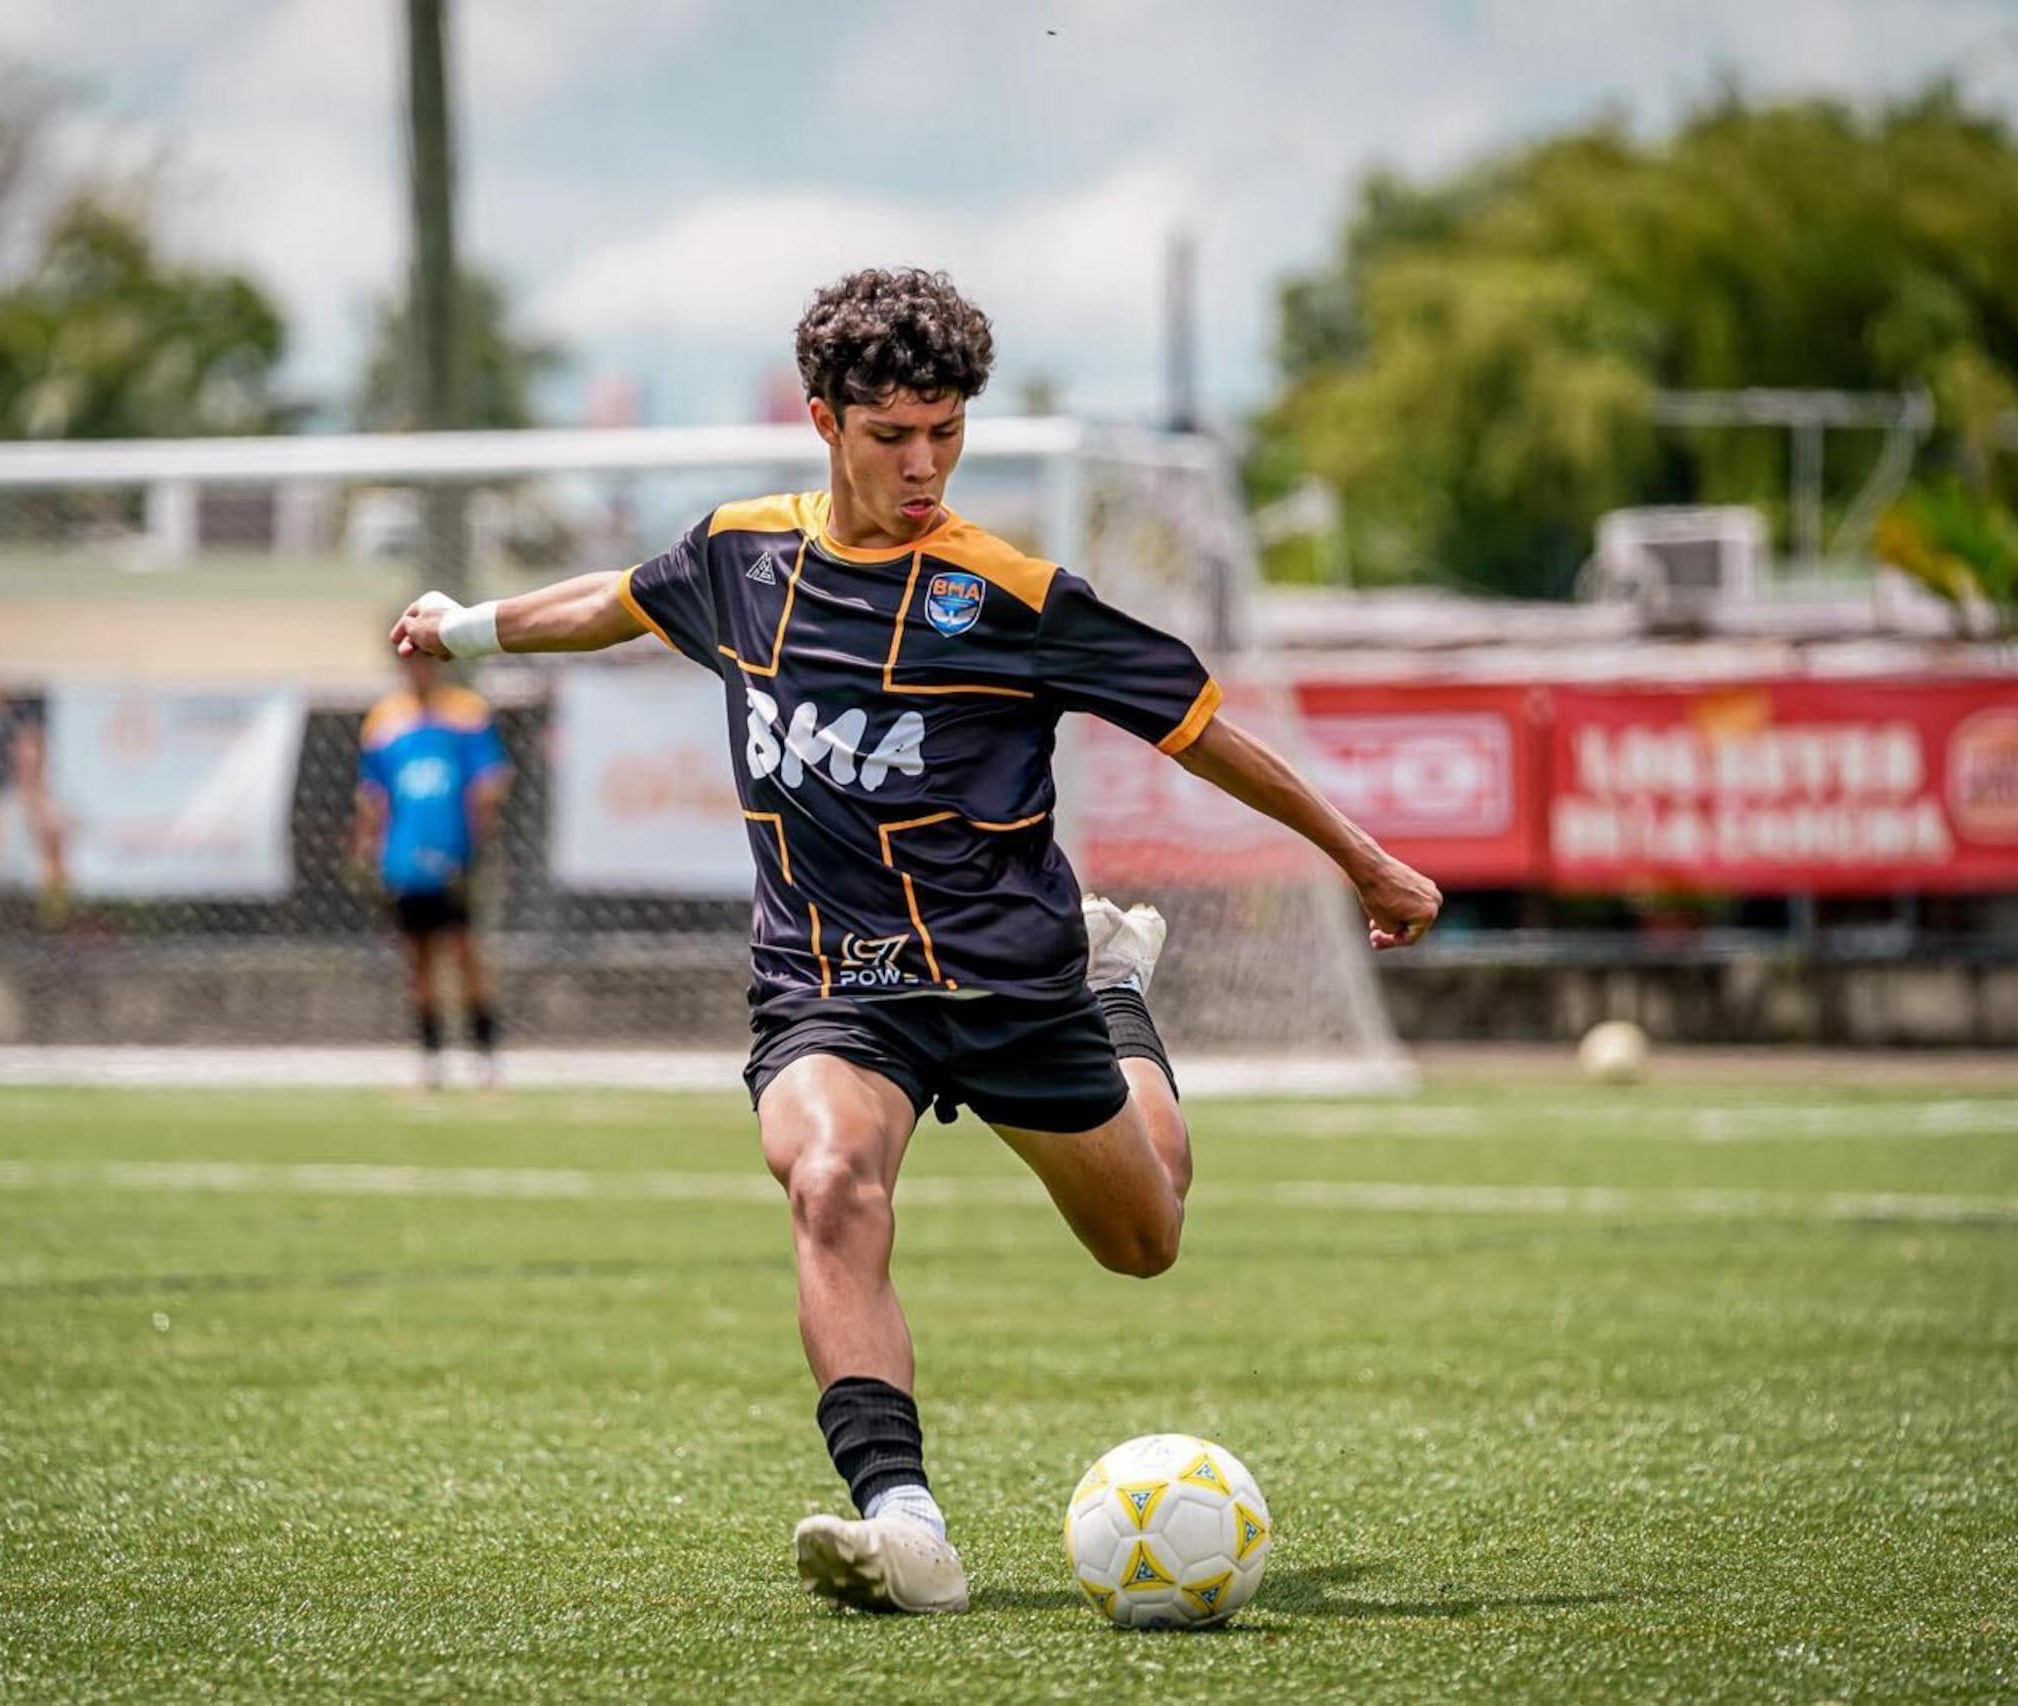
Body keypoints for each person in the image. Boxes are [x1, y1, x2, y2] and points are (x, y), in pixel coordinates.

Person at [390, 268, 1441, 1612]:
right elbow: (619, 601)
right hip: (832, 989)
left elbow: (1201, 725)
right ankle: (904, 1519)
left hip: (1011, 980)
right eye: (894, 436)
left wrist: (1363, 858)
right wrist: (466, 625)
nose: (925, 464)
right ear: (826, 421)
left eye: (947, 433)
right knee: (829, 1179)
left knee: (1146, 1237)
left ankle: (1117, 991)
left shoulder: (1008, 594)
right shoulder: (738, 556)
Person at [353, 652, 514, 1089]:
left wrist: (477, 846)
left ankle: (484, 1055)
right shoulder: (384, 721)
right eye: (411, 663)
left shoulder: (466, 712)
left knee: (465, 955)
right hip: (404, 860)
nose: (419, 671)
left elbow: (489, 782)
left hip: (454, 856)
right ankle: (431, 1057)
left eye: (426, 662)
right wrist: (368, 848)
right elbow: (373, 795)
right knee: (417, 961)